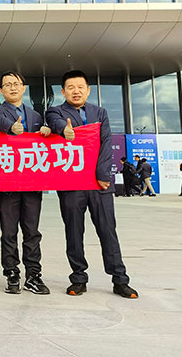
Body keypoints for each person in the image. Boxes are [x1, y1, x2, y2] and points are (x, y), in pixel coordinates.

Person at [45, 70, 138, 299]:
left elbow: (106, 143)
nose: (76, 91)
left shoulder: (100, 112)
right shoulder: (55, 112)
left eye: (80, 87)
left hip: (100, 184)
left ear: (88, 90)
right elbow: (56, 123)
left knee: (108, 231)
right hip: (72, 185)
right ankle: (78, 278)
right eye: (71, 87)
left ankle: (120, 279)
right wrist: (63, 130)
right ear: (63, 91)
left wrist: (103, 174)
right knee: (74, 232)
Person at [0, 71, 52, 295]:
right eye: (7, 85)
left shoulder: (35, 115)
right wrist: (12, 128)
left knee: (32, 230)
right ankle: (12, 273)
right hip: (7, 183)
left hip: (32, 182)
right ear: (1, 91)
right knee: (9, 231)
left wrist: (46, 131)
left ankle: (34, 274)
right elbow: (0, 122)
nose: (13, 88)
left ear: (24, 88)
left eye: (16, 84)